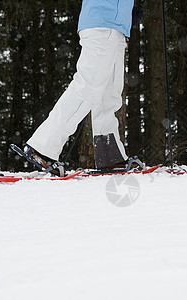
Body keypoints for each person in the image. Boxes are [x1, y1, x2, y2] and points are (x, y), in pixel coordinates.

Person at [17, 1, 143, 176]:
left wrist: (127, 12)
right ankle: (42, 147)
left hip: (116, 27)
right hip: (102, 24)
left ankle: (110, 155)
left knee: (109, 94)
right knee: (87, 89)